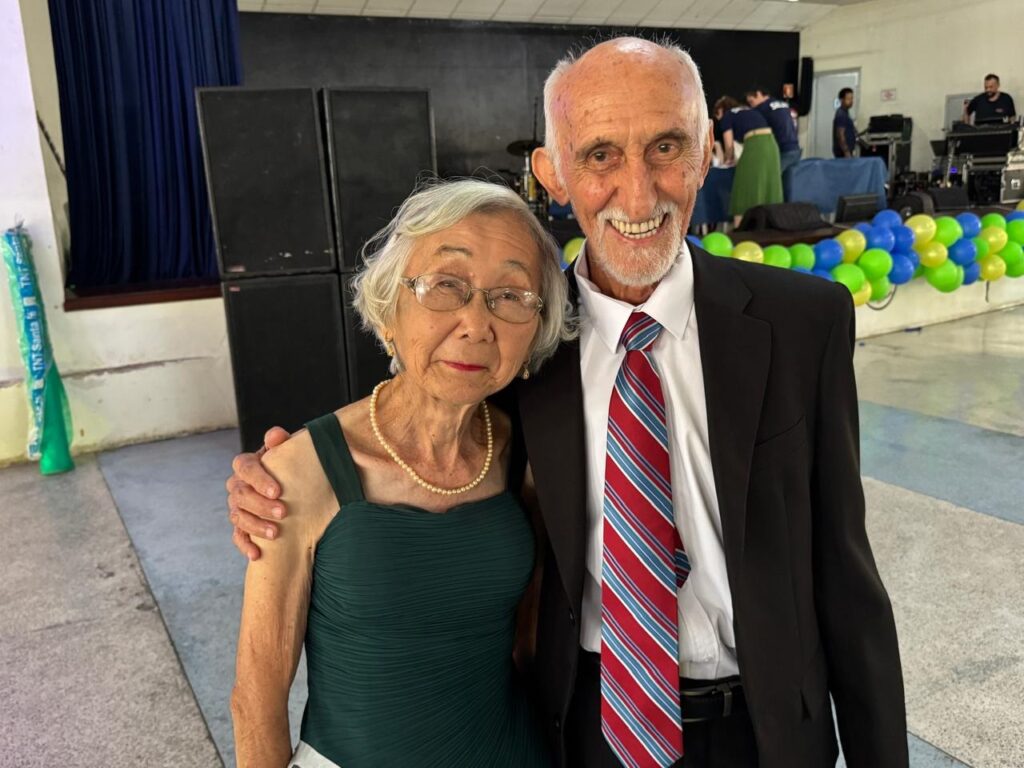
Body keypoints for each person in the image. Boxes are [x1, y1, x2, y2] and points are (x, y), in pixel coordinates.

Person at [228, 37, 908, 768]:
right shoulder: (523, 354)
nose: (639, 194)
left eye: (667, 146)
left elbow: (847, 577)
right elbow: (417, 415)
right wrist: (281, 478)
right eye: (601, 156)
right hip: (586, 731)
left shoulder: (803, 324)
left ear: (708, 151)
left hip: (767, 733)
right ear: (553, 174)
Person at [230, 179, 574, 767]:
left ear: (537, 333)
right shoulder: (301, 470)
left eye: (512, 296)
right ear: (390, 309)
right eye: (446, 285)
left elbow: (529, 640)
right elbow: (256, 701)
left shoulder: (526, 453)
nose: (475, 323)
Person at [713, 95, 783, 226]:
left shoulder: (727, 116)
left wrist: (728, 159)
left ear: (721, 110)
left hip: (755, 143)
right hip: (772, 144)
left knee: (742, 187)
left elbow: (729, 146)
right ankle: (769, 229)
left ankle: (740, 229)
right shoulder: (748, 111)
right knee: (768, 187)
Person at [745, 86, 802, 173]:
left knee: (771, 179)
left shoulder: (762, 109)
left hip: (782, 151)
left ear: (759, 94)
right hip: (795, 148)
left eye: (751, 102)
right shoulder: (783, 104)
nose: (751, 106)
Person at [833, 88, 857, 158]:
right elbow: (840, 135)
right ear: (841, 100)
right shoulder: (841, 114)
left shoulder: (846, 113)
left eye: (852, 98)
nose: (851, 101)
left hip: (846, 152)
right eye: (848, 99)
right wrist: (846, 152)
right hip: (843, 154)